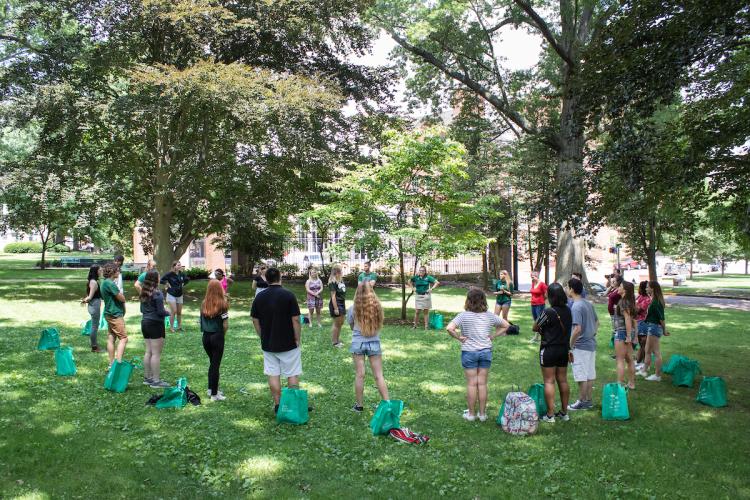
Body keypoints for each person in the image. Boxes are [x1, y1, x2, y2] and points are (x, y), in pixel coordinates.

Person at [446, 288, 509, 422]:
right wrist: (493, 336)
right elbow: (506, 325)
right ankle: (482, 414)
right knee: (482, 383)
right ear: (483, 301)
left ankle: (471, 414)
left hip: (469, 352)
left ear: (468, 301)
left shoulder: (463, 315)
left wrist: (459, 338)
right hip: (485, 352)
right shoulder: (489, 316)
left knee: (471, 384)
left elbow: (449, 328)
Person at [250, 267, 302, 414]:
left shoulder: (259, 297)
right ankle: (292, 405)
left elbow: (255, 320)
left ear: (266, 279)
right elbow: (296, 320)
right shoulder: (288, 295)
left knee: (273, 374)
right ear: (280, 277)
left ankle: (278, 404)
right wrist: (297, 338)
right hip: (289, 342)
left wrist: (262, 335)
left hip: (268, 343)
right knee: (292, 373)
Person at [533, 283, 572, 423]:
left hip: (548, 349)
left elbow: (535, 327)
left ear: (550, 296)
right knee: (563, 380)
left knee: (549, 381)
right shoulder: (568, 310)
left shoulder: (548, 312)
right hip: (563, 349)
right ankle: (564, 412)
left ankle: (550, 415)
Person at [347, 282, 389, 412]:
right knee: (378, 375)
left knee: (360, 374)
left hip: (357, 343)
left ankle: (359, 406)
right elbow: (380, 324)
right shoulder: (377, 307)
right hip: (374, 343)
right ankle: (387, 404)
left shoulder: (353, 308)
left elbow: (351, 324)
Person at [567, 278, 599, 411]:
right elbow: (597, 322)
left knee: (581, 375)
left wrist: (570, 345)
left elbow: (577, 329)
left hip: (580, 347)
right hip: (591, 345)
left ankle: (581, 401)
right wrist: (592, 334)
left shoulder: (576, 306)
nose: (567, 290)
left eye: (568, 287)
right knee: (589, 374)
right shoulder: (588, 303)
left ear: (572, 290)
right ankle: (588, 401)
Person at [139, 270, 170, 389]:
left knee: (148, 351)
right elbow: (160, 312)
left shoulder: (144, 292)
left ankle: (148, 378)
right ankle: (156, 381)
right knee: (156, 353)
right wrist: (169, 312)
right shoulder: (157, 293)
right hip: (155, 324)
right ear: (155, 279)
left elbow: (142, 310)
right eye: (159, 276)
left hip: (145, 323)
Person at [201, 279, 229, 401]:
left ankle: (210, 388)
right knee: (215, 365)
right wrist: (223, 335)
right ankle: (214, 394)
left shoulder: (203, 303)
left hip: (206, 337)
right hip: (217, 336)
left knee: (212, 364)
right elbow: (225, 324)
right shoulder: (223, 304)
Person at [637, 281, 670, 381]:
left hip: (655, 328)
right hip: (651, 326)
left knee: (656, 352)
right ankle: (644, 370)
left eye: (648, 287)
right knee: (647, 350)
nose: (646, 289)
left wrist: (664, 330)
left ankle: (657, 375)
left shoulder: (656, 302)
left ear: (653, 288)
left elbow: (662, 319)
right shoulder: (653, 300)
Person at [100, 263, 128, 369]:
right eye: (117, 270)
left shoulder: (105, 282)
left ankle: (111, 364)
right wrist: (121, 294)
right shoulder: (110, 284)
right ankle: (118, 363)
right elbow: (121, 298)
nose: (119, 272)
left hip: (109, 313)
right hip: (114, 314)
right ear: (112, 272)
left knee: (111, 337)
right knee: (124, 338)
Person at [613, 281, 637, 389]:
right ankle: (631, 384)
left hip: (623, 333)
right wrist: (633, 335)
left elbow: (628, 319)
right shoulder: (629, 302)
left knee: (620, 359)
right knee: (629, 359)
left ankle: (619, 384)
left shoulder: (623, 302)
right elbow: (633, 321)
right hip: (627, 332)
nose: (619, 287)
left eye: (621, 286)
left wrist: (628, 336)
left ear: (625, 290)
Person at [160, 261, 190, 332]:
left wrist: (184, 284)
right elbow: (161, 280)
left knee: (179, 312)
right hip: (171, 294)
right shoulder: (170, 274)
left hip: (179, 295)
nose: (180, 266)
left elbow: (187, 279)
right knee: (174, 311)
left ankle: (179, 327)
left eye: (180, 265)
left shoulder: (181, 274)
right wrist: (166, 283)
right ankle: (171, 327)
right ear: (174, 266)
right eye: (178, 265)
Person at [81, 265, 104, 353]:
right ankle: (94, 347)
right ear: (96, 271)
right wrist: (84, 300)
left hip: (94, 305)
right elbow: (90, 297)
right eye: (100, 270)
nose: (101, 271)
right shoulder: (93, 282)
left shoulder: (92, 281)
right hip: (94, 305)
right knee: (95, 326)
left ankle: (94, 344)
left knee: (95, 325)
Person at [634, 281, 652, 369]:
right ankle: (639, 361)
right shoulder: (640, 297)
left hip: (643, 323)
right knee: (641, 344)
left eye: (640, 287)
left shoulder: (647, 299)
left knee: (643, 344)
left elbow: (638, 310)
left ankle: (643, 363)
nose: (639, 289)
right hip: (638, 322)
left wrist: (634, 307)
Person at [328, 264, 347, 347]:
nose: (342, 272)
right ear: (337, 272)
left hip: (342, 303)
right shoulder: (332, 282)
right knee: (337, 323)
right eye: (341, 270)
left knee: (341, 323)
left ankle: (338, 340)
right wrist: (336, 308)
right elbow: (333, 296)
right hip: (336, 304)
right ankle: (335, 342)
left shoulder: (341, 280)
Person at [529, 271, 548, 342]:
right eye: (531, 277)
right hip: (533, 304)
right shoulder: (533, 283)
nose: (532, 278)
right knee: (535, 321)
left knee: (540, 321)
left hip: (540, 305)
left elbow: (546, 294)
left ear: (537, 276)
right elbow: (532, 292)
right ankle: (536, 337)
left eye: (533, 277)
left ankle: (543, 336)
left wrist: (542, 299)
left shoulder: (542, 284)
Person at [606, 275, 623, 352]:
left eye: (614, 281)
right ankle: (614, 342)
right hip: (612, 313)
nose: (612, 282)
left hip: (616, 313)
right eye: (612, 281)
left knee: (616, 328)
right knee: (614, 328)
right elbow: (605, 293)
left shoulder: (620, 290)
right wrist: (611, 286)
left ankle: (616, 344)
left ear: (618, 282)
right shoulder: (614, 289)